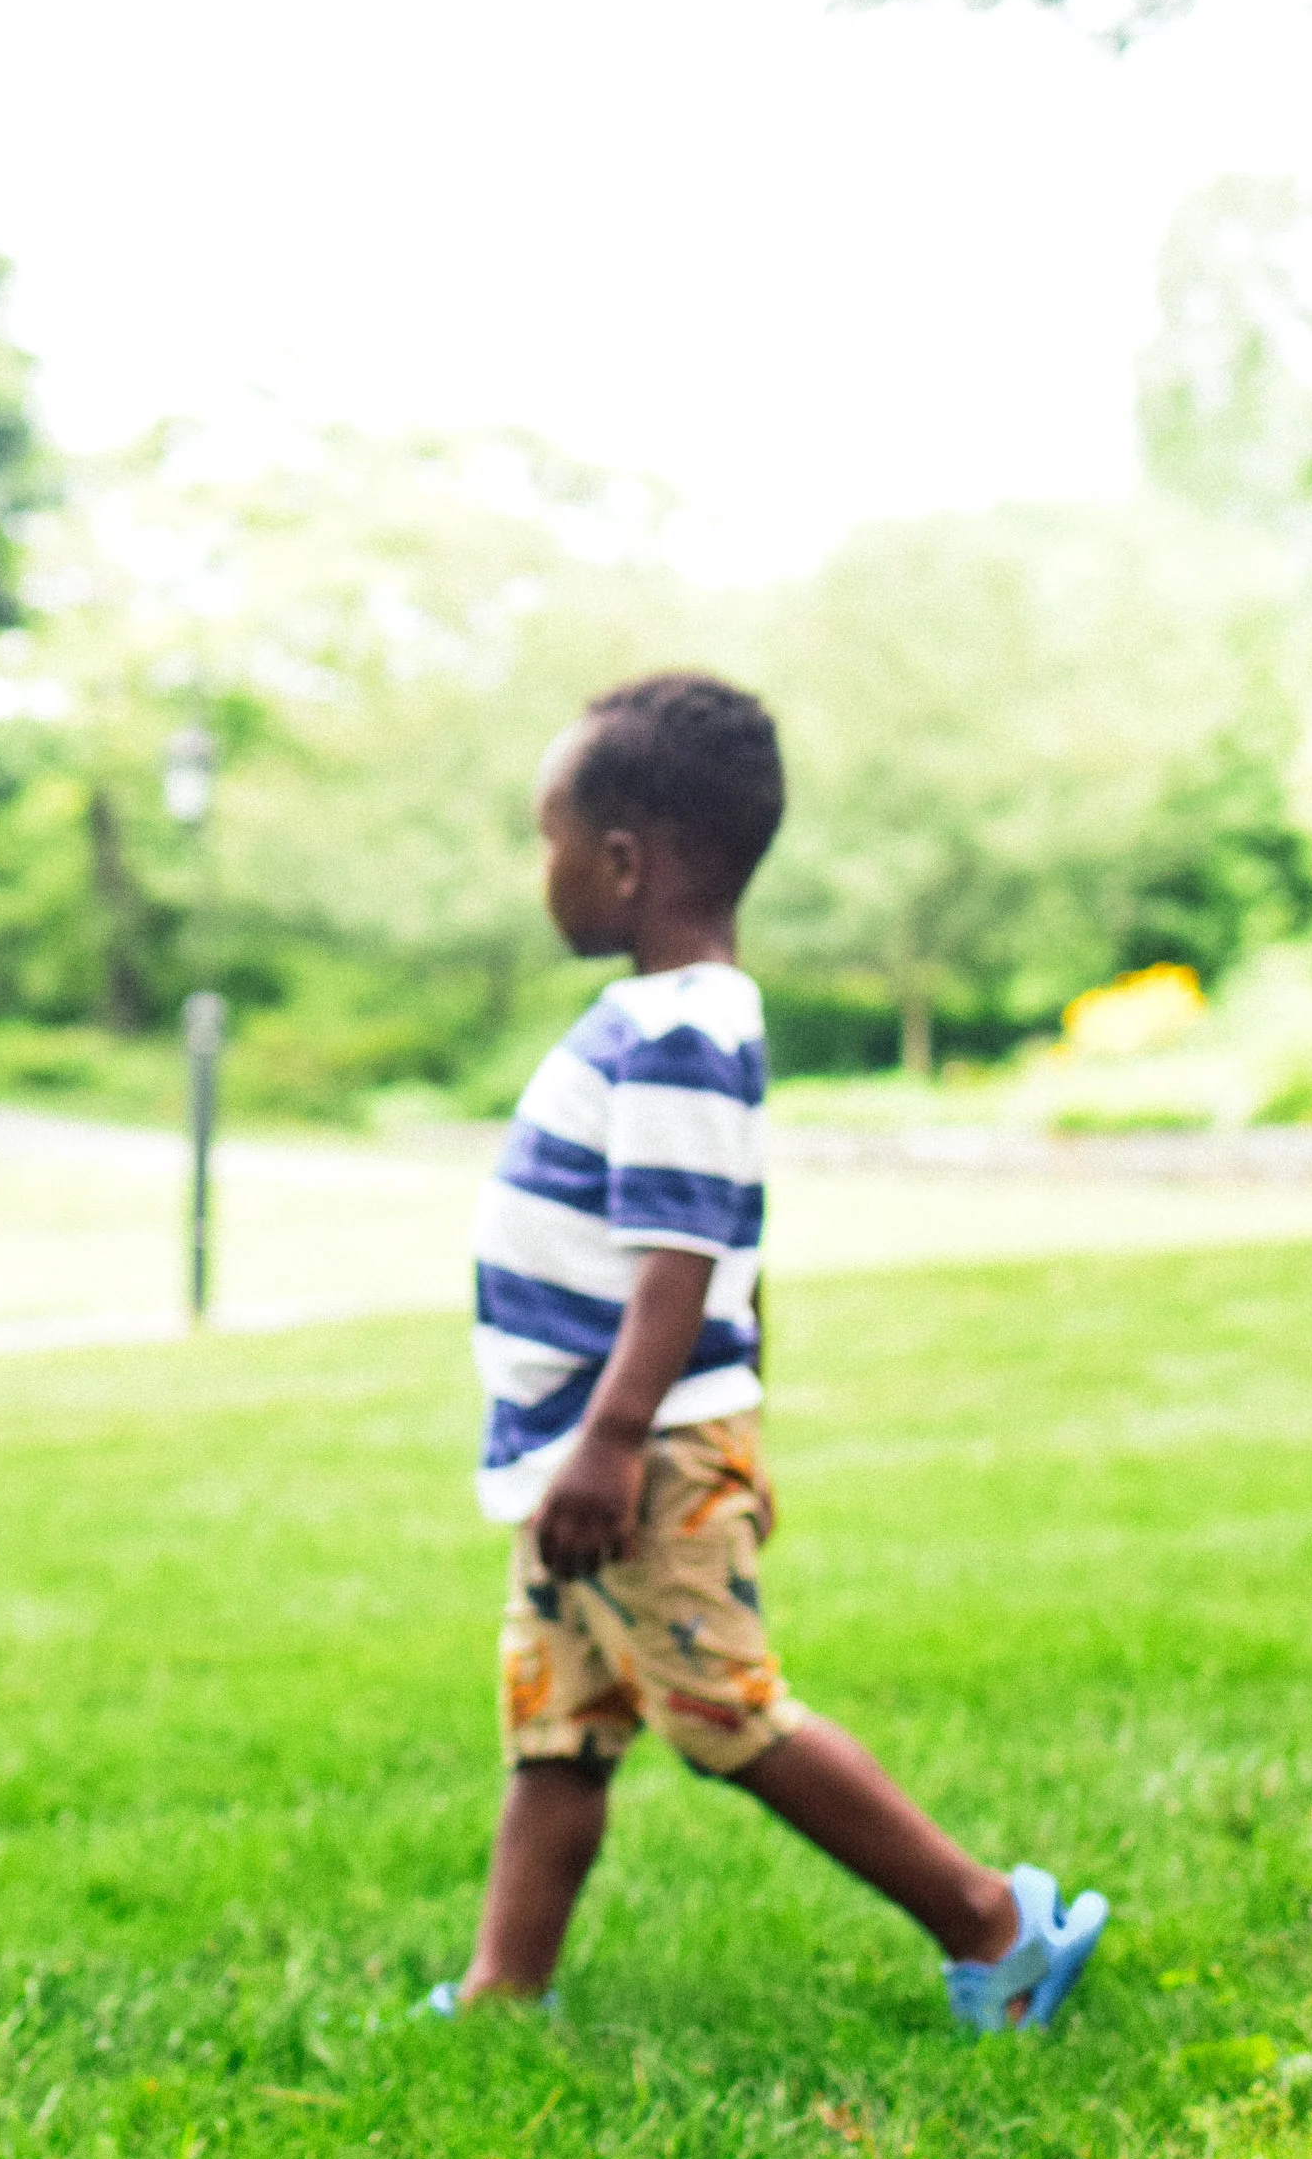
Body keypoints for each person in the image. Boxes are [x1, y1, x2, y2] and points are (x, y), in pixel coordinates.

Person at [424, 671, 1107, 2033]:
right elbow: (724, 1257)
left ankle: (993, 1922)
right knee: (560, 1725)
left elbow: (680, 1263)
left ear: (624, 861)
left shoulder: (680, 1028)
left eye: (549, 836)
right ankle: (507, 1992)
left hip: (631, 1461)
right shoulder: (669, 1020)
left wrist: (621, 1443)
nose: (541, 867)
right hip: (603, 1454)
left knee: (726, 1711)